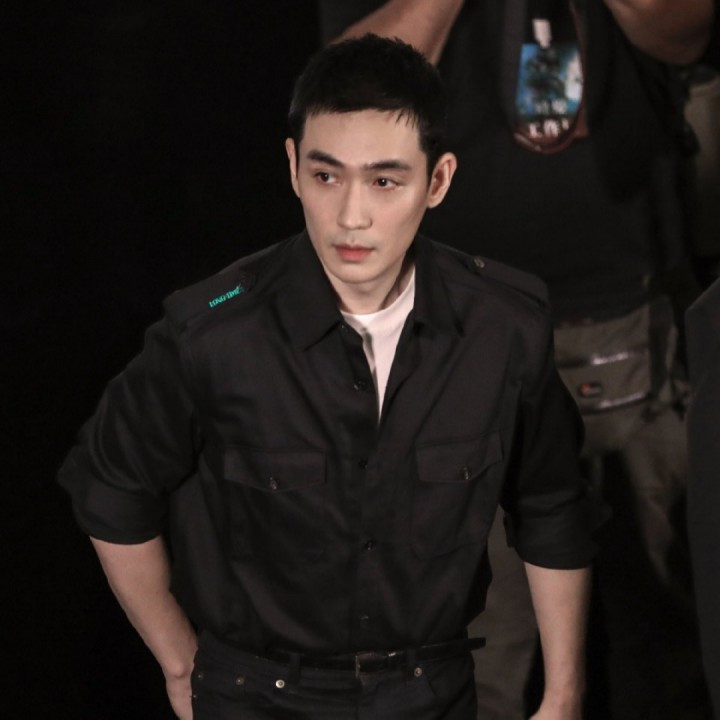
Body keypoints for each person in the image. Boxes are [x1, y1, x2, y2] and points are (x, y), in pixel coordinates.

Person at [58, 34, 597, 720]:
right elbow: (112, 489)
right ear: (292, 168)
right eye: (326, 176)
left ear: (437, 181)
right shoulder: (212, 335)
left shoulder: (504, 328)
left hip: (430, 694)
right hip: (254, 697)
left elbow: (551, 506)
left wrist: (563, 695)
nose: (351, 216)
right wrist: (178, 663)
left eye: (384, 181)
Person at [316, 2, 715, 719]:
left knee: (663, 638)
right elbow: (352, 97)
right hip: (452, 334)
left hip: (630, 319)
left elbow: (684, 31)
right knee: (468, 649)